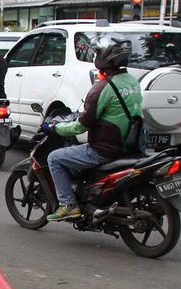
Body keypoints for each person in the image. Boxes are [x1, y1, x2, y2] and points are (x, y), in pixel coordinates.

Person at [44, 37, 142, 221]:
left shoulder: (103, 88)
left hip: (104, 149)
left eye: (97, 54)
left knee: (54, 158)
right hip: (129, 145)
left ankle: (68, 205)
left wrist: (56, 128)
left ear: (104, 58)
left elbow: (80, 126)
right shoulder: (132, 81)